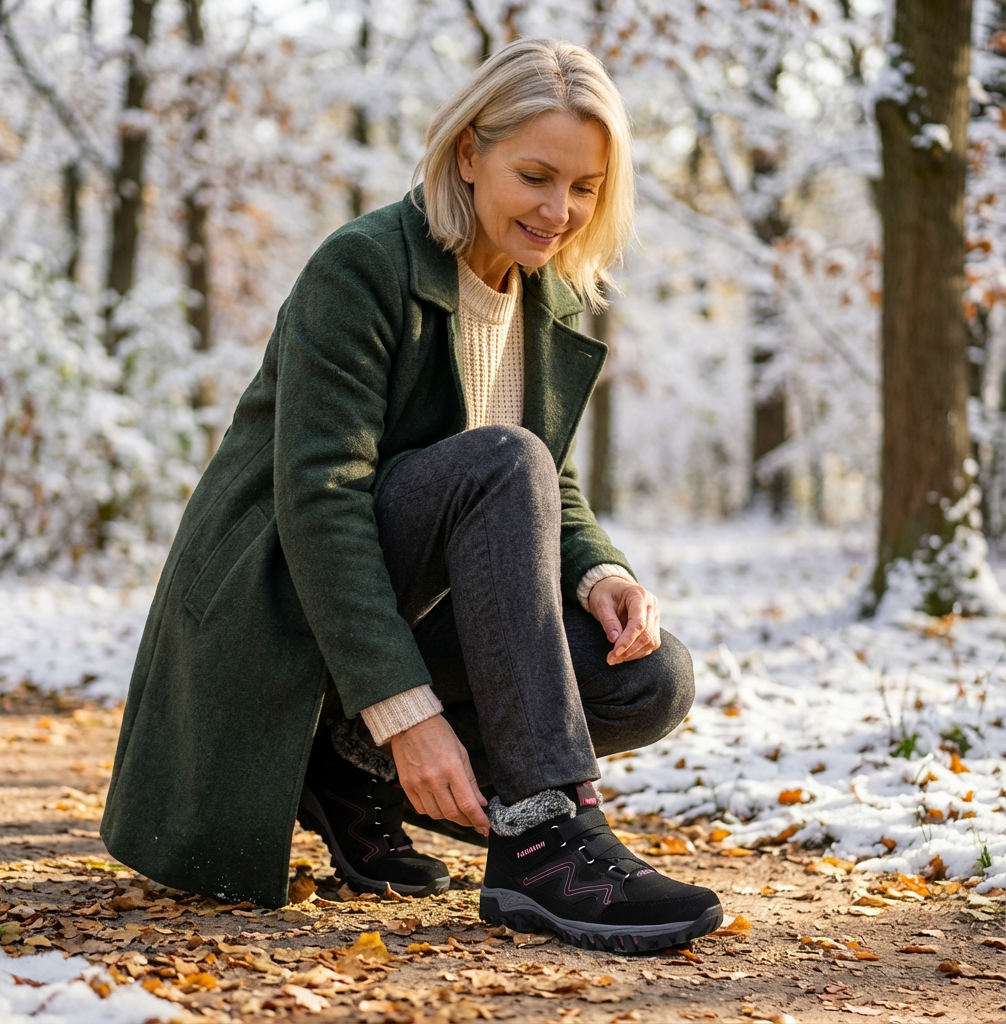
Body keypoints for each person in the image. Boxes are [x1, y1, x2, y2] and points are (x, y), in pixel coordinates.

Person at [101, 38, 722, 953]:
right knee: (501, 459)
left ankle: (341, 764)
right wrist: (408, 713)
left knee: (648, 680)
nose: (560, 211)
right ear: (469, 156)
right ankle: (544, 839)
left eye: (585, 187)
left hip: (397, 599)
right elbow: (322, 500)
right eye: (536, 175)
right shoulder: (361, 267)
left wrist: (599, 572)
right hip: (279, 600)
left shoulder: (548, 293)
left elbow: (553, 477)